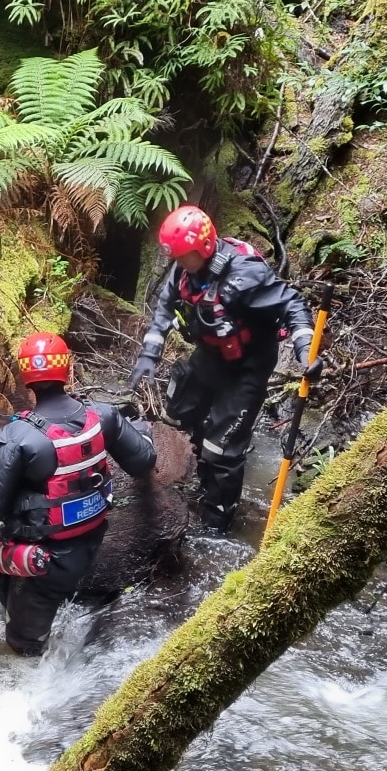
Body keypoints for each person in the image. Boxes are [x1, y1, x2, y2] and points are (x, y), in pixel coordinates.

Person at [0, 332, 157, 656]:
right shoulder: (104, 416)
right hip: (90, 539)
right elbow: (144, 462)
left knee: (22, 644)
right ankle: (20, 605)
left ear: (26, 378)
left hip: (45, 561)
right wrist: (142, 432)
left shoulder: (15, 436)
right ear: (67, 370)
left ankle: (27, 637)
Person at [129, 204, 313, 536]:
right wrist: (149, 354)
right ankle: (195, 480)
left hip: (247, 367)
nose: (178, 264)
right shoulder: (184, 271)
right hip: (210, 356)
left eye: (184, 256)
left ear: (203, 248)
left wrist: (304, 349)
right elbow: (165, 307)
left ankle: (217, 524)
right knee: (177, 416)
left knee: (223, 449)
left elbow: (292, 303)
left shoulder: (245, 276)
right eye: (175, 257)